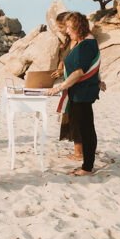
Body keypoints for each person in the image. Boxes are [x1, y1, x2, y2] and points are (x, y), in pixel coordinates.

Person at [45, 12, 100, 176]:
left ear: (78, 26)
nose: (67, 31)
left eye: (69, 27)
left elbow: (78, 72)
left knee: (86, 129)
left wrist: (59, 87)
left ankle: (87, 168)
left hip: (82, 93)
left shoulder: (85, 45)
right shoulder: (83, 43)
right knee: (84, 128)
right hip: (79, 93)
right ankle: (86, 165)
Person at [52, 12, 83, 160]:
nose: (59, 30)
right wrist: (59, 71)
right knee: (70, 116)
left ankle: (79, 152)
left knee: (78, 117)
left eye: (60, 27)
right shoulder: (67, 42)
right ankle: (78, 150)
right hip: (68, 84)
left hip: (77, 85)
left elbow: (80, 66)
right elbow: (64, 61)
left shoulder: (79, 42)